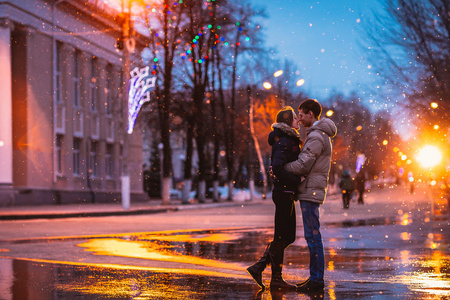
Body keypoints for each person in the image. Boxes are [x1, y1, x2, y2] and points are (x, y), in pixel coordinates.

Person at [284, 99, 337, 293]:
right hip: (311, 189)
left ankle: (316, 280)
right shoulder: (319, 134)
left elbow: (303, 164)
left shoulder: (316, 136)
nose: (300, 118)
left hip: (310, 190)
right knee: (313, 236)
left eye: (302, 114)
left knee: (313, 237)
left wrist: (281, 168)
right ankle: (315, 278)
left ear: (311, 114)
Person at [247, 106, 302, 290]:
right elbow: (278, 167)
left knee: (287, 236)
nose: (298, 120)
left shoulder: (287, 139)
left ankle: (261, 267)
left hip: (286, 192)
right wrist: (295, 180)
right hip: (283, 192)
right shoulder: (285, 141)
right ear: (288, 121)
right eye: (295, 117)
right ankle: (274, 277)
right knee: (282, 236)